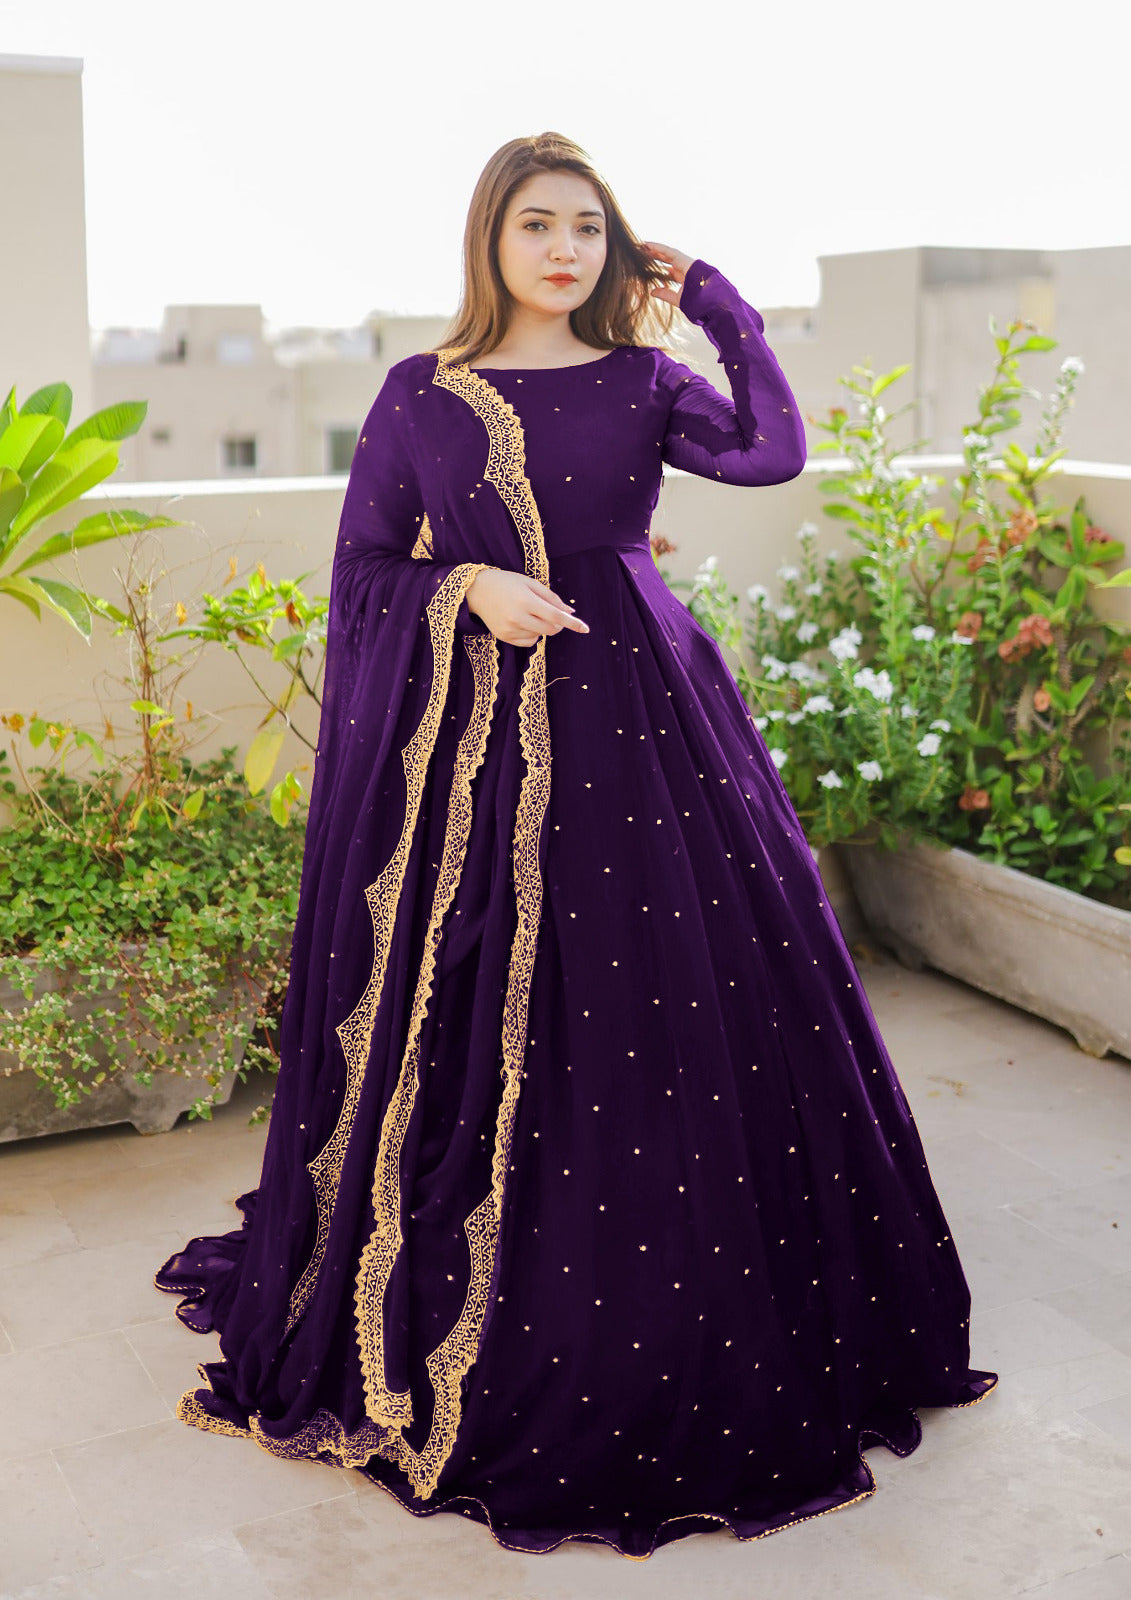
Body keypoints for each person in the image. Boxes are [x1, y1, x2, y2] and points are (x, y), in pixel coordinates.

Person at [155, 130, 998, 1562]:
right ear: (490, 235)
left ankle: (703, 1284)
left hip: (652, 717)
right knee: (498, 1008)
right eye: (538, 224)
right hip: (480, 752)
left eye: (589, 229)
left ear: (618, 249)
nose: (564, 250)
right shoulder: (422, 393)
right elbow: (365, 568)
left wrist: (715, 300)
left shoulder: (642, 379)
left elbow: (773, 451)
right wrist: (469, 585)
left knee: (678, 1002)